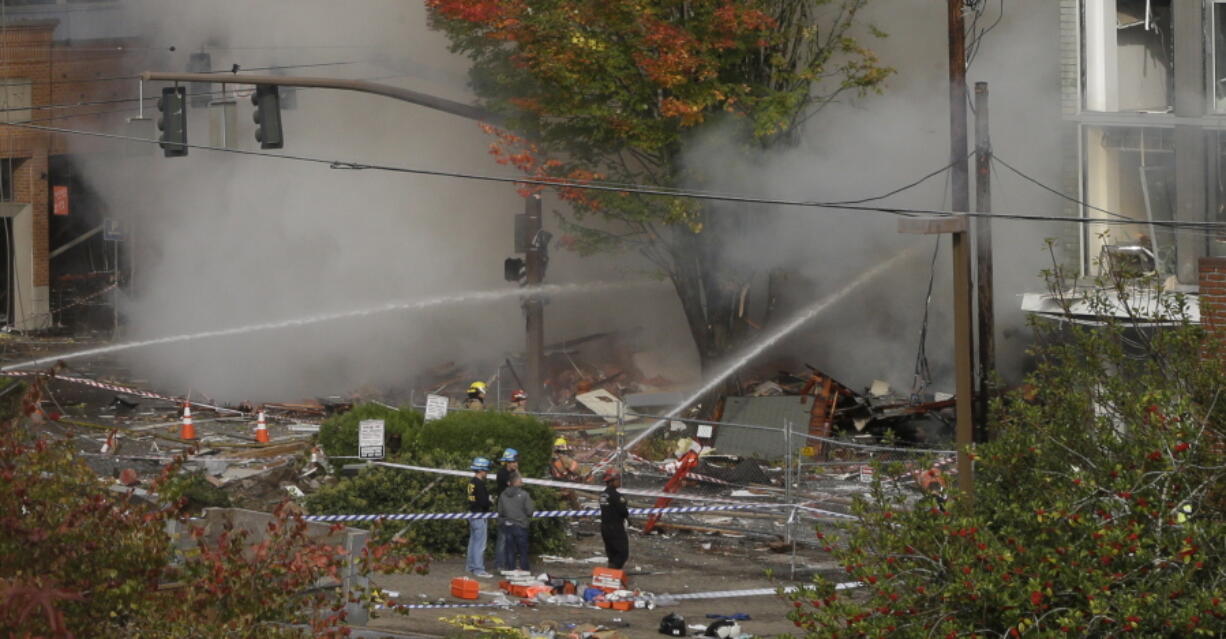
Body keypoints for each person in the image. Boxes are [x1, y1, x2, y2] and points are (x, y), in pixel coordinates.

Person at [496, 472, 535, 571]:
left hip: (507, 525)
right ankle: (524, 570)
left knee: (509, 550)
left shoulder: (502, 495)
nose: (522, 482)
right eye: (521, 481)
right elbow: (530, 511)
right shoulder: (524, 495)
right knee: (523, 551)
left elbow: (500, 511)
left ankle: (511, 570)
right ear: (517, 482)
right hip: (521, 525)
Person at [466, 456, 493, 578]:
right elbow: (484, 502)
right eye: (486, 470)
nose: (487, 472)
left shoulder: (471, 482)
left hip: (472, 514)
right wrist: (490, 501)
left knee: (473, 543)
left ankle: (470, 566)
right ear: (481, 470)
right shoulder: (480, 484)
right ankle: (478, 569)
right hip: (480, 515)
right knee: (480, 544)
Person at [599, 468, 630, 569]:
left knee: (611, 553)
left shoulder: (603, 495)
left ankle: (609, 575)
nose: (619, 481)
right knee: (623, 552)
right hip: (615, 528)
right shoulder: (616, 496)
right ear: (611, 481)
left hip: (605, 527)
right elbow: (623, 511)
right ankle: (612, 572)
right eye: (617, 479)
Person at [493, 448, 519, 570]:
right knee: (503, 537)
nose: (516, 464)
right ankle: (500, 564)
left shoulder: (512, 473)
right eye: (514, 462)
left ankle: (509, 564)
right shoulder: (502, 473)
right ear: (508, 462)